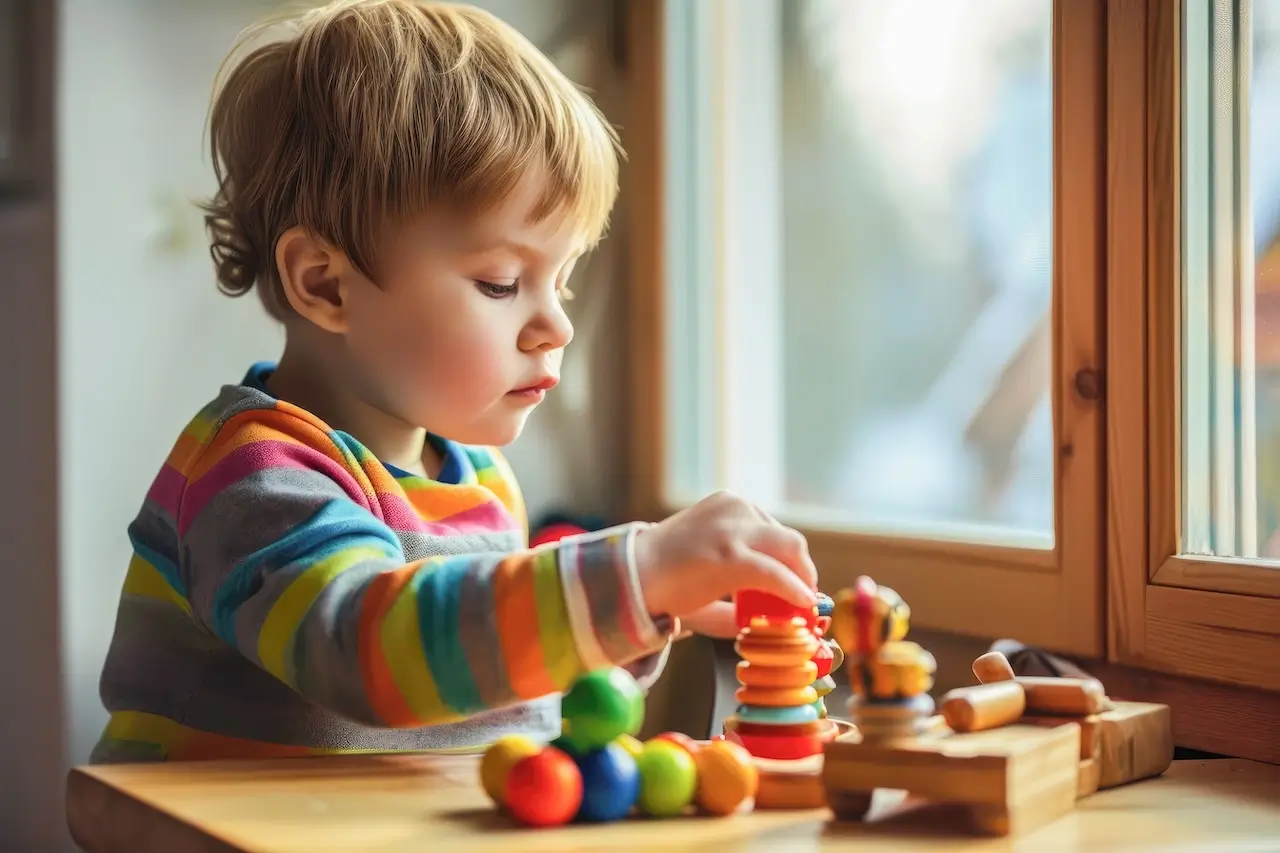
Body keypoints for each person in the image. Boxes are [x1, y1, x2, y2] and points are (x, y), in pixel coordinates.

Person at [90, 0, 817, 764]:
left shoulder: (482, 485)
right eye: (502, 283)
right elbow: (373, 654)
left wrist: (643, 608)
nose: (556, 326)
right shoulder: (250, 475)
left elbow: (478, 692)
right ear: (326, 285)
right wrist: (631, 572)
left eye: (561, 282)